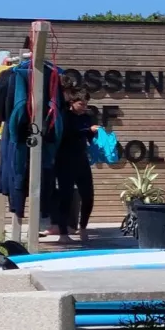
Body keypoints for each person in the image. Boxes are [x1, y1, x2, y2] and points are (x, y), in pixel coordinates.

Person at [49, 86, 99, 243]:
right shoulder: (64, 115)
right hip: (64, 160)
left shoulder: (87, 117)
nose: (84, 108)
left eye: (86, 105)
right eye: (81, 104)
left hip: (81, 159)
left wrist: (98, 136)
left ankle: (83, 228)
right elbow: (67, 133)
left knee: (88, 196)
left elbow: (89, 138)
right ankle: (63, 233)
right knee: (66, 197)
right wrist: (87, 130)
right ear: (72, 102)